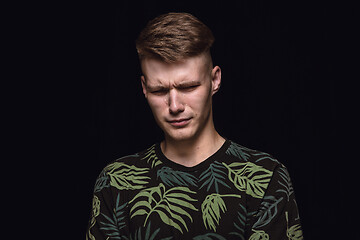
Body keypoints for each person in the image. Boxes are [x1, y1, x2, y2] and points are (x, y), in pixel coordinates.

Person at [86, 12, 303, 240]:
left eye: (188, 87)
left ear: (215, 80)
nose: (175, 105)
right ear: (144, 88)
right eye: (159, 91)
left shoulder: (266, 177)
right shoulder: (116, 182)